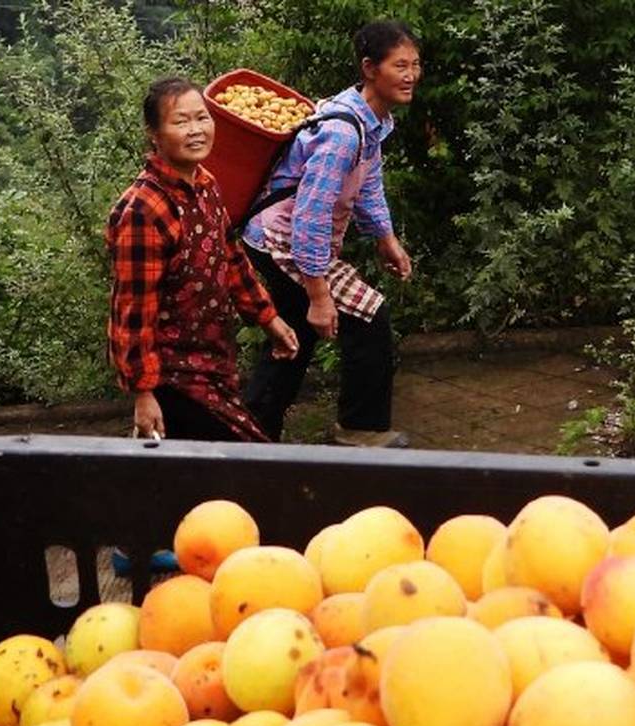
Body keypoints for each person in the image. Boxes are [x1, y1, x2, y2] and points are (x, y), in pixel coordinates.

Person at [241, 20, 421, 448]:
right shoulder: (342, 134)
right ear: (370, 69)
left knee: (294, 335)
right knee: (369, 314)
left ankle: (250, 434)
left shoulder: (370, 119)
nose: (411, 75)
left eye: (415, 64)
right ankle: (359, 429)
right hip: (283, 238)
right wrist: (320, 294)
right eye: (400, 65)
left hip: (280, 235)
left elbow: (368, 182)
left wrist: (385, 238)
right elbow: (311, 216)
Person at [108, 77, 299, 440]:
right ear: (154, 134)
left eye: (202, 118)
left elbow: (230, 257)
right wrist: (143, 393)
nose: (196, 130)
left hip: (214, 362)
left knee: (200, 464)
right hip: (173, 377)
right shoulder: (143, 211)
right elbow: (133, 310)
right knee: (242, 456)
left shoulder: (205, 184)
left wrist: (268, 317)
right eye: (181, 122)